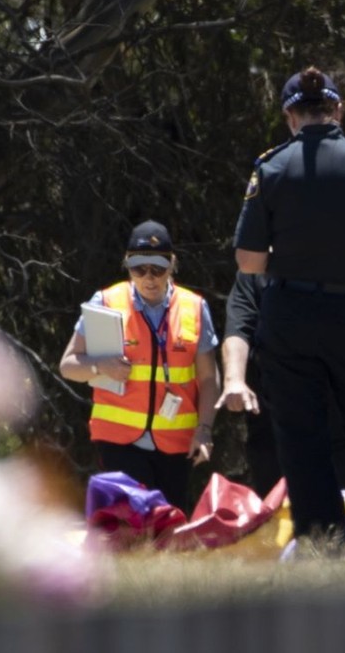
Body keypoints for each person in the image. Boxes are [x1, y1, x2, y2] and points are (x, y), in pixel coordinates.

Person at [232, 66, 345, 543]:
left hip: (290, 316)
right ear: (337, 109)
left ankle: (324, 547)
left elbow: (249, 261)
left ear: (290, 117)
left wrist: (298, 260)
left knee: (302, 440)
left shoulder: (270, 168)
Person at [218, 268, 345, 523]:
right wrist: (234, 379)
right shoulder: (255, 270)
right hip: (277, 427)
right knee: (281, 523)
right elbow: (237, 329)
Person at [59, 220, 221, 514]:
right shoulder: (107, 301)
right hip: (119, 442)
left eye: (158, 269)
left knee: (168, 530)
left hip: (175, 443)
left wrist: (205, 430)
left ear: (172, 265)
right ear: (127, 265)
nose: (149, 278)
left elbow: (209, 378)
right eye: (139, 269)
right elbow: (68, 365)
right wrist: (100, 366)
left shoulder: (194, 308)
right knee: (129, 528)